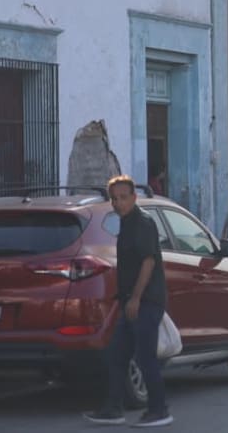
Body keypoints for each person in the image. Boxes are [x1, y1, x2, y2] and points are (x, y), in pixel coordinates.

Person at [84, 175, 171, 427]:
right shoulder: (126, 223)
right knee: (117, 354)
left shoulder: (142, 223)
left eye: (123, 197)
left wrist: (136, 298)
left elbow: (148, 261)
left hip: (146, 301)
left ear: (134, 197)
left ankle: (159, 410)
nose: (118, 203)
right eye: (114, 198)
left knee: (145, 357)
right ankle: (113, 409)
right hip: (130, 302)